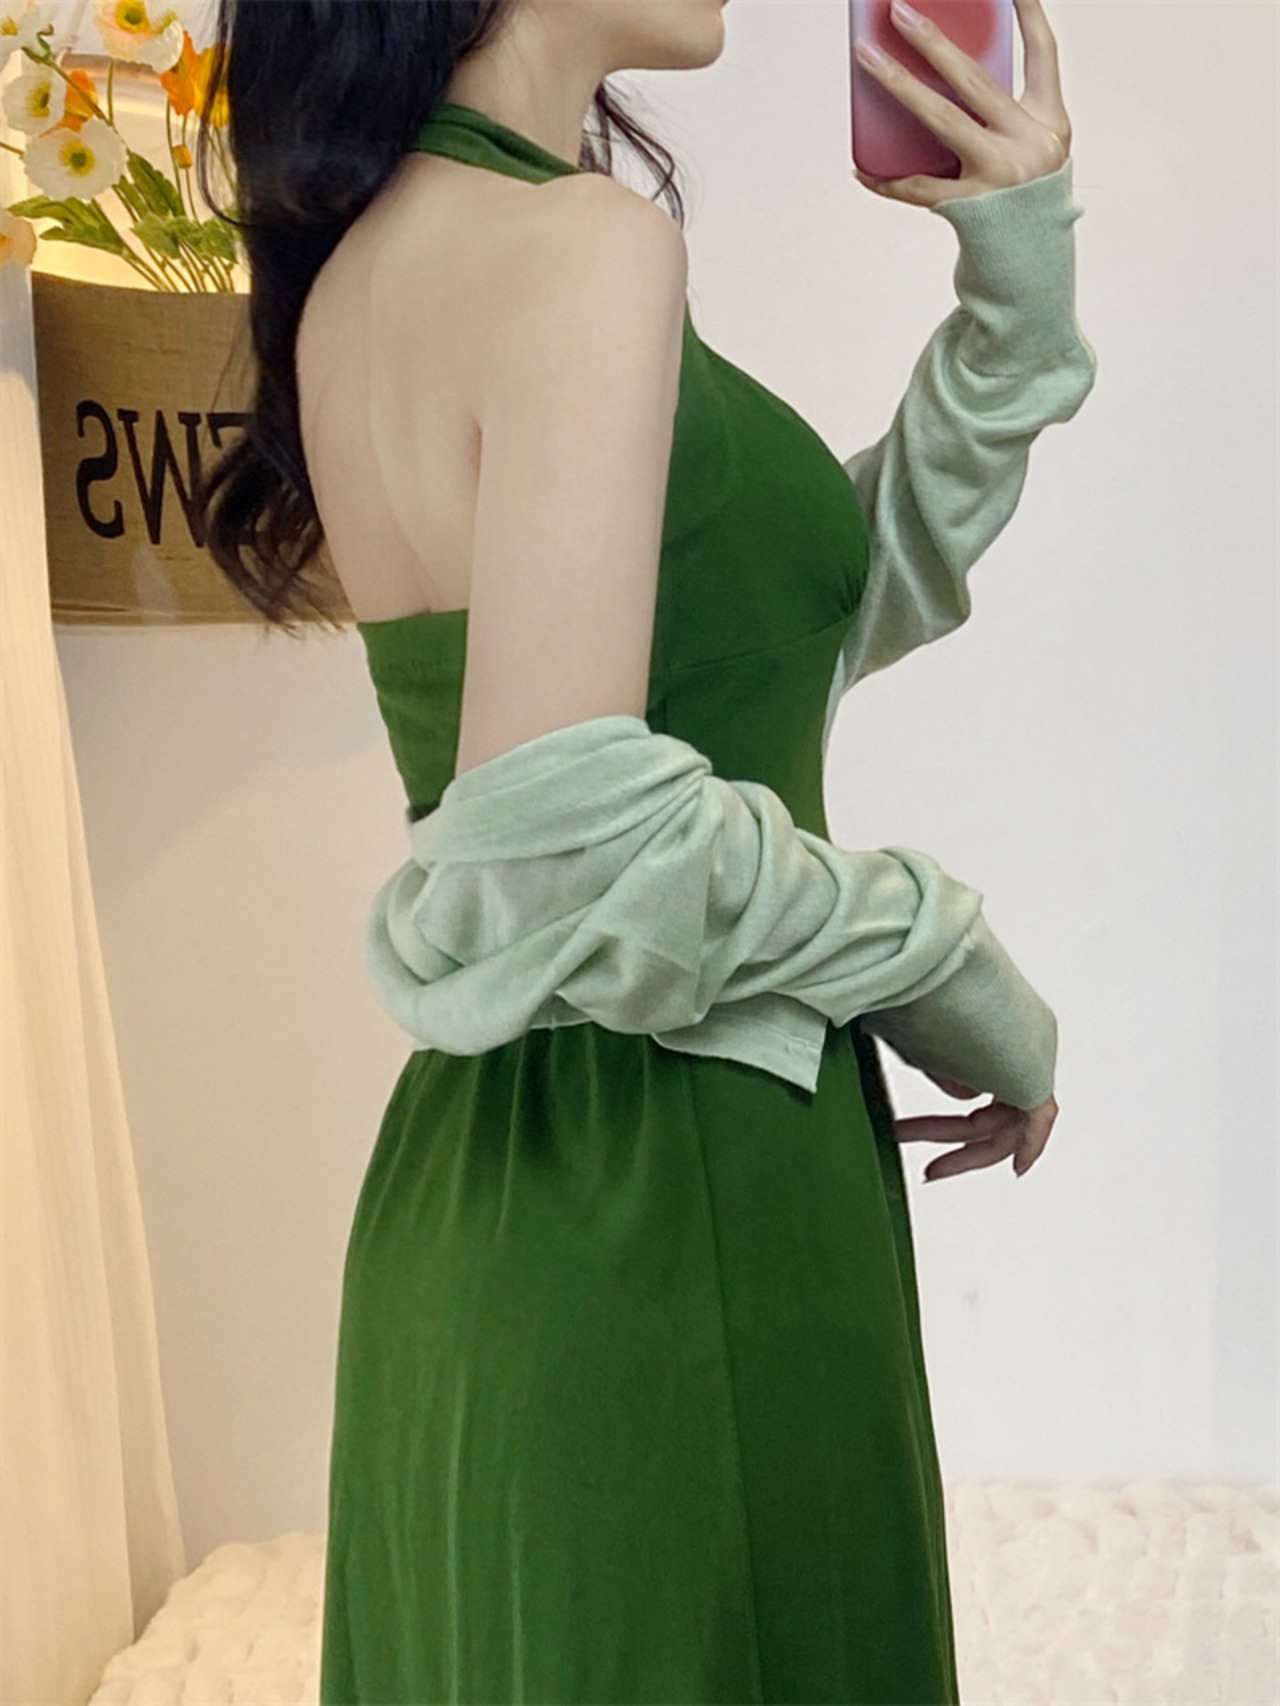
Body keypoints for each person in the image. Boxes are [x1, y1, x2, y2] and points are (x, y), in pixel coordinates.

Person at [196, 0, 1094, 1699]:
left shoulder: (364, 272)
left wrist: (1014, 306)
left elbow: (771, 637)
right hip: (684, 1179)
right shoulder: (582, 249)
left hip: (486, 1194)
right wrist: (952, 965)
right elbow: (585, 831)